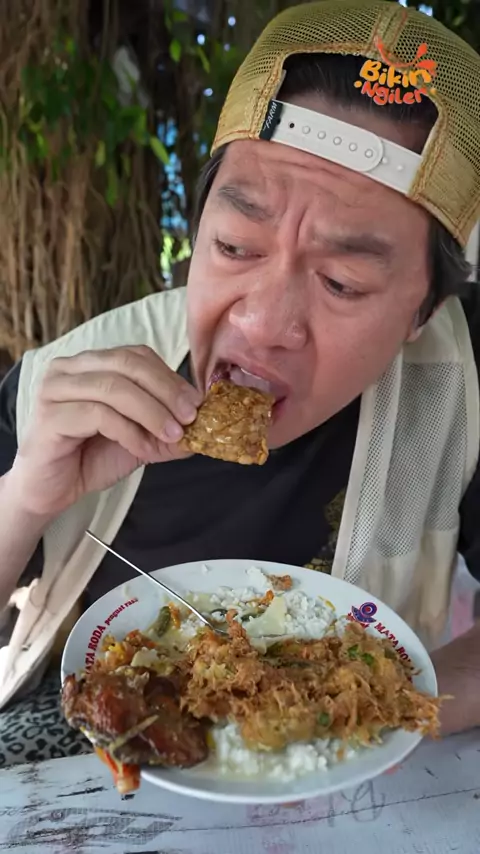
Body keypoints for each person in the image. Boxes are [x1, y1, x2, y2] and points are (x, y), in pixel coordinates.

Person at [1, 0, 480, 766]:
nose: (263, 323)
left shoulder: (460, 394)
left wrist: (399, 708)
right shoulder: (63, 385)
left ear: (423, 310)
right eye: (234, 246)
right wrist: (27, 493)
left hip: (343, 769)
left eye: (342, 282)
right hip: (83, 746)